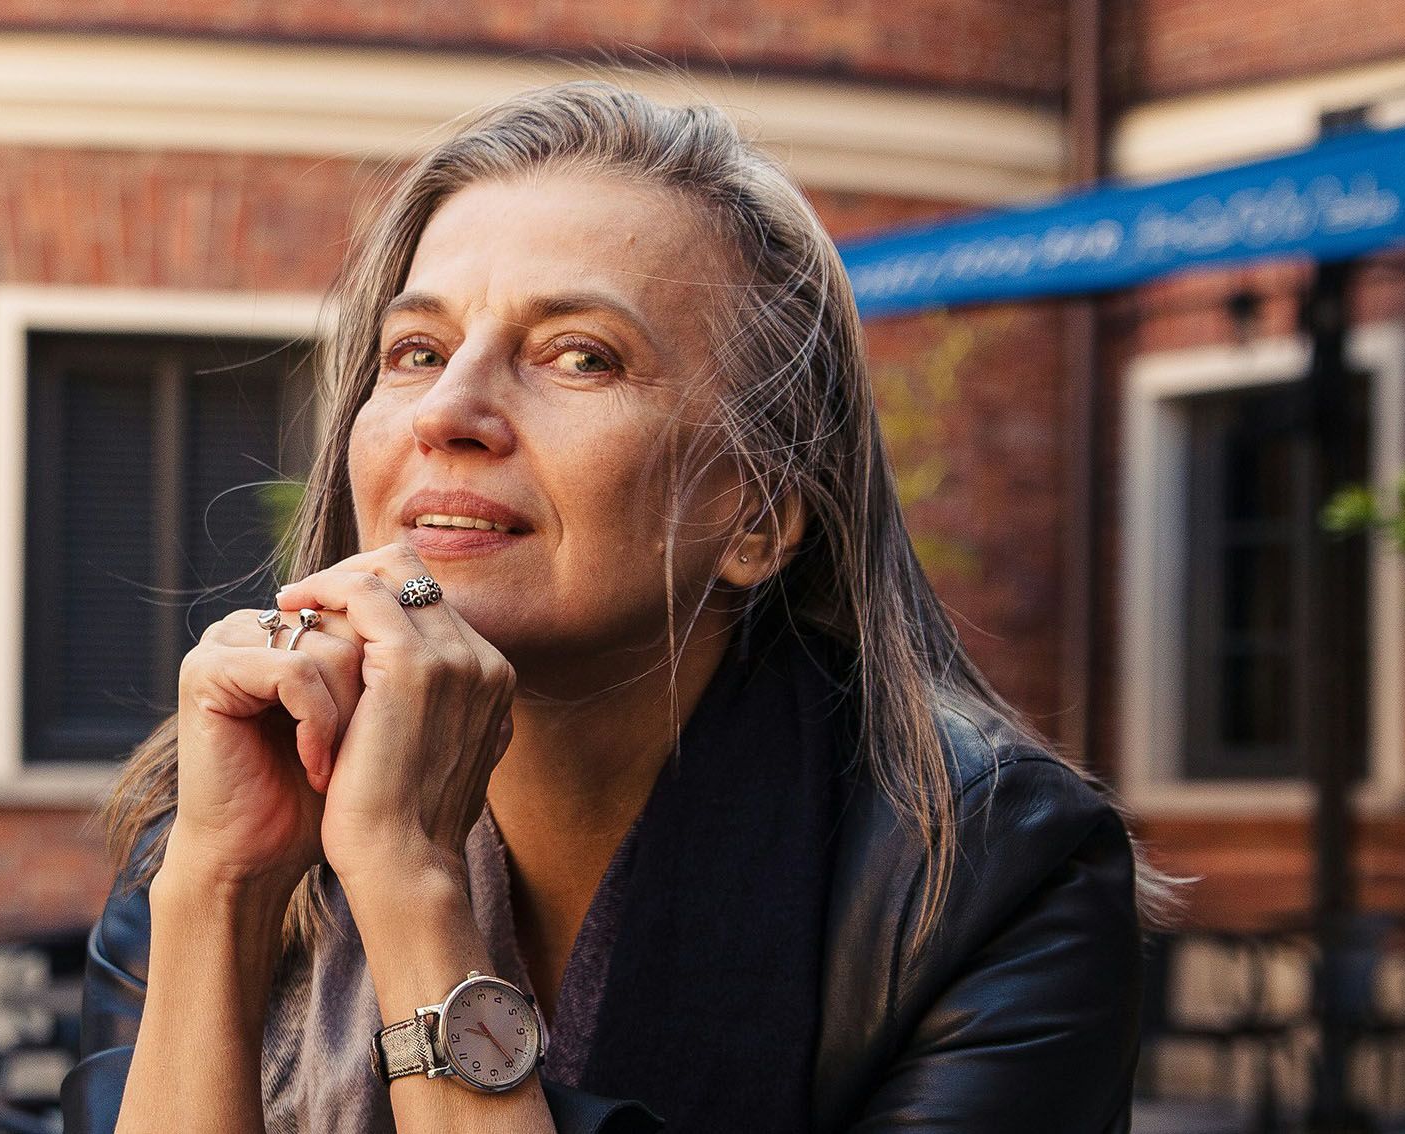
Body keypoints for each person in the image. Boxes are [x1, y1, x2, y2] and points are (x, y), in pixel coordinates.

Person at [62, 79, 1167, 1134]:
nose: (447, 412)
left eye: (580, 357)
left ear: (758, 513)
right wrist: (218, 892)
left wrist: (409, 887)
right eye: (416, 351)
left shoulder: (985, 879)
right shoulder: (215, 823)